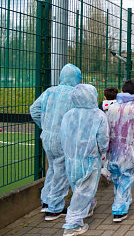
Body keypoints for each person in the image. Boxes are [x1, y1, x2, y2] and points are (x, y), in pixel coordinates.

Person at [30, 64, 82, 220]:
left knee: (52, 169)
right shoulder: (75, 93)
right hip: (64, 138)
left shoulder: (49, 92)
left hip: (48, 137)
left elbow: (34, 110)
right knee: (61, 172)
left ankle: (46, 201)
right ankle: (54, 208)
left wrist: (45, 126)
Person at [59, 84, 109, 236]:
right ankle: (72, 225)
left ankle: (86, 208)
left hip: (71, 159)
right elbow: (103, 138)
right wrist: (103, 151)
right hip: (89, 159)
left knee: (78, 188)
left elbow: (63, 136)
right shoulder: (98, 115)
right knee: (84, 190)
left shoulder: (68, 115)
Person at [106, 79, 134, 222]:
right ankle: (119, 209)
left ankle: (123, 199)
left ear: (122, 90)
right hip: (130, 148)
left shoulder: (111, 108)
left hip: (113, 149)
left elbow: (105, 127)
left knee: (116, 175)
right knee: (127, 175)